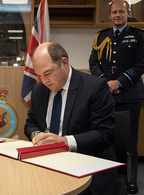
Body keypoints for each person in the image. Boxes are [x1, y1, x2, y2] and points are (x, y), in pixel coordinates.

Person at [25, 42, 117, 194]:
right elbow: (31, 123)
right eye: (39, 75)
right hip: (48, 165)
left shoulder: (94, 87)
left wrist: (64, 141)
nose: (44, 81)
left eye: (48, 73)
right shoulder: (39, 90)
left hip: (86, 167)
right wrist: (37, 136)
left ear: (64, 63)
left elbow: (104, 135)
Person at [89, 0, 144, 193]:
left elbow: (140, 65)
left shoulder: (139, 36)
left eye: (122, 11)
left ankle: (131, 179)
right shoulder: (101, 36)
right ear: (110, 15)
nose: (118, 15)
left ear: (128, 13)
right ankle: (109, 176)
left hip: (130, 96)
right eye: (115, 12)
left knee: (130, 140)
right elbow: (93, 64)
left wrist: (118, 82)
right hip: (105, 96)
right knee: (105, 137)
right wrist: (107, 83)